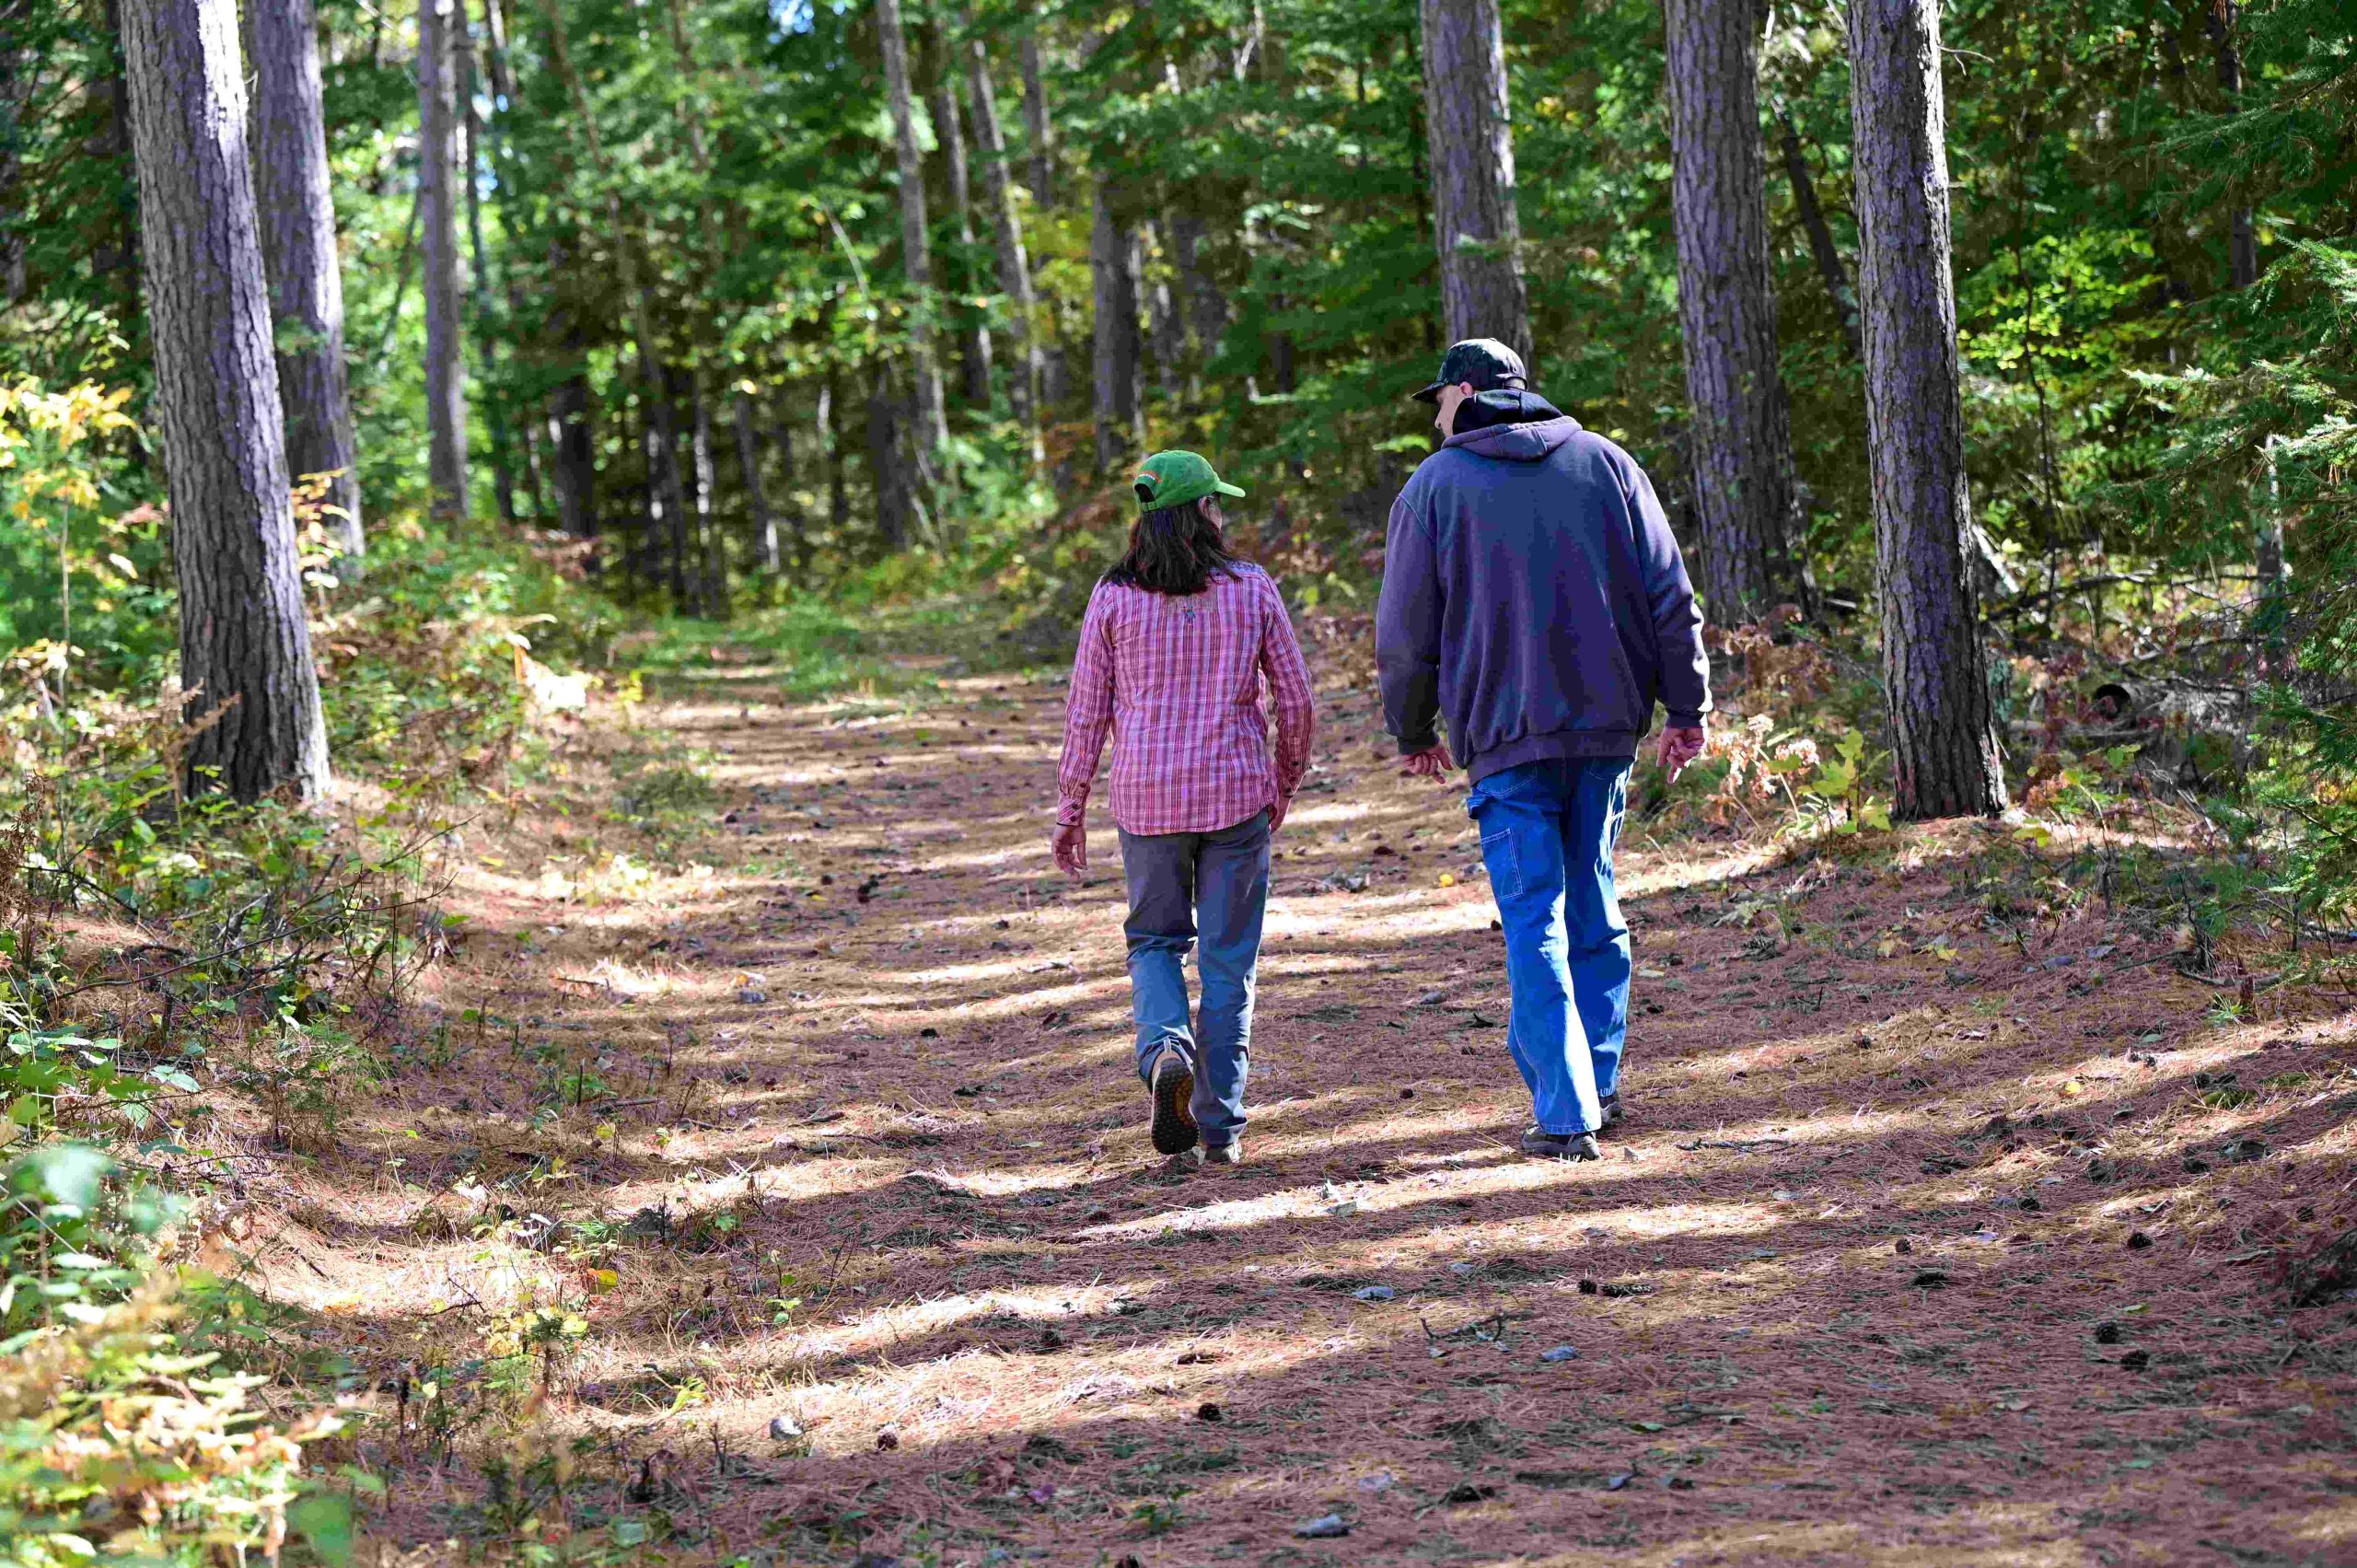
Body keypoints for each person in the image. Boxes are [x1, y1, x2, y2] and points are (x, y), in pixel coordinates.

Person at [1376, 339, 1711, 1162]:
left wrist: (1414, 728)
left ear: (1462, 393)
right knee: (1593, 903)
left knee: (1536, 918)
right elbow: (1671, 595)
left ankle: (1566, 1112)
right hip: (1604, 732)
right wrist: (1686, 705)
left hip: (1503, 735)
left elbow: (1404, 631)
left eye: (1438, 402)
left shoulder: (1434, 488)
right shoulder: (1608, 466)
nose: (1435, 418)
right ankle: (1598, 1079)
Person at [1052, 450, 1318, 1167]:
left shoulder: (1112, 597)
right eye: (1218, 503)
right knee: (1230, 964)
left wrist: (1070, 807)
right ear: (1202, 512)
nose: (1225, 514)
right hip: (1236, 797)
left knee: (1155, 943)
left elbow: (1086, 712)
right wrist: (1282, 783)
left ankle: (1166, 1047)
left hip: (1147, 801)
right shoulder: (1253, 588)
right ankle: (1219, 1126)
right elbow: (1295, 701)